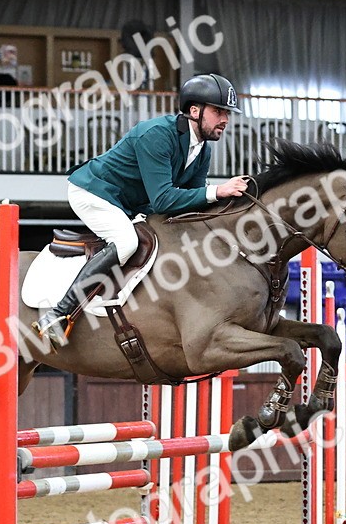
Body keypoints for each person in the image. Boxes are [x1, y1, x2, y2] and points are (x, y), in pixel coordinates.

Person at [33, 73, 251, 338]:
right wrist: (218, 190)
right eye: (218, 111)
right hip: (94, 192)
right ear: (195, 111)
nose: (225, 119)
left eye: (227, 113)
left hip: (130, 202)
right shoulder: (157, 135)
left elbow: (192, 201)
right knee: (127, 243)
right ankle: (58, 315)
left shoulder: (203, 149)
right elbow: (164, 200)